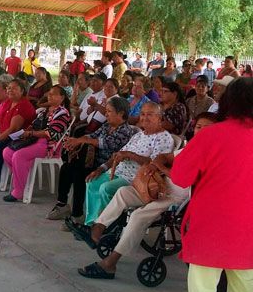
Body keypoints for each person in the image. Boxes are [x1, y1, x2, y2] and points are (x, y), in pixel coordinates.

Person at [77, 112, 217, 280]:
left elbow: (185, 179)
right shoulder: (191, 147)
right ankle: (97, 229)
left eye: (205, 128)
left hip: (176, 197)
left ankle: (110, 264)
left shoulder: (212, 154)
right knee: (123, 193)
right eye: (198, 127)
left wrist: (163, 169)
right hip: (158, 186)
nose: (199, 130)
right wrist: (157, 163)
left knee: (138, 215)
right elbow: (166, 156)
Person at [172, 78, 253, 292]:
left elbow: (179, 177)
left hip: (210, 226)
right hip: (248, 232)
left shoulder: (210, 135)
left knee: (203, 290)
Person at [68, 102, 174, 228]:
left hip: (136, 178)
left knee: (106, 188)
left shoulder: (164, 138)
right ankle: (91, 223)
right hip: (118, 172)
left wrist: (130, 155)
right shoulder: (139, 135)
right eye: (142, 114)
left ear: (160, 117)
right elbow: (118, 155)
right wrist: (101, 169)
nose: (145, 117)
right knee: (92, 182)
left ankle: (106, 226)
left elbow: (154, 164)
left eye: (150, 114)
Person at [47, 97, 136, 223]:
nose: (106, 114)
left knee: (80, 174)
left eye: (109, 111)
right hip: (93, 161)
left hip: (108, 165)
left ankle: (77, 215)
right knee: (67, 167)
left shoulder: (125, 131)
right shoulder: (107, 126)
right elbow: (92, 135)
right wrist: (77, 141)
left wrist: (81, 140)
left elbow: (104, 143)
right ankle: (62, 205)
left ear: (121, 114)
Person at [2, 85, 71, 202]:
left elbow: (51, 133)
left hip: (49, 145)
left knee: (19, 155)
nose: (50, 96)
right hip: (35, 140)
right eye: (49, 94)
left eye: (53, 94)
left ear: (62, 97)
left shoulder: (62, 113)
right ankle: (21, 179)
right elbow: (33, 125)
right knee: (7, 152)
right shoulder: (44, 111)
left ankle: (18, 192)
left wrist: (31, 133)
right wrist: (26, 132)